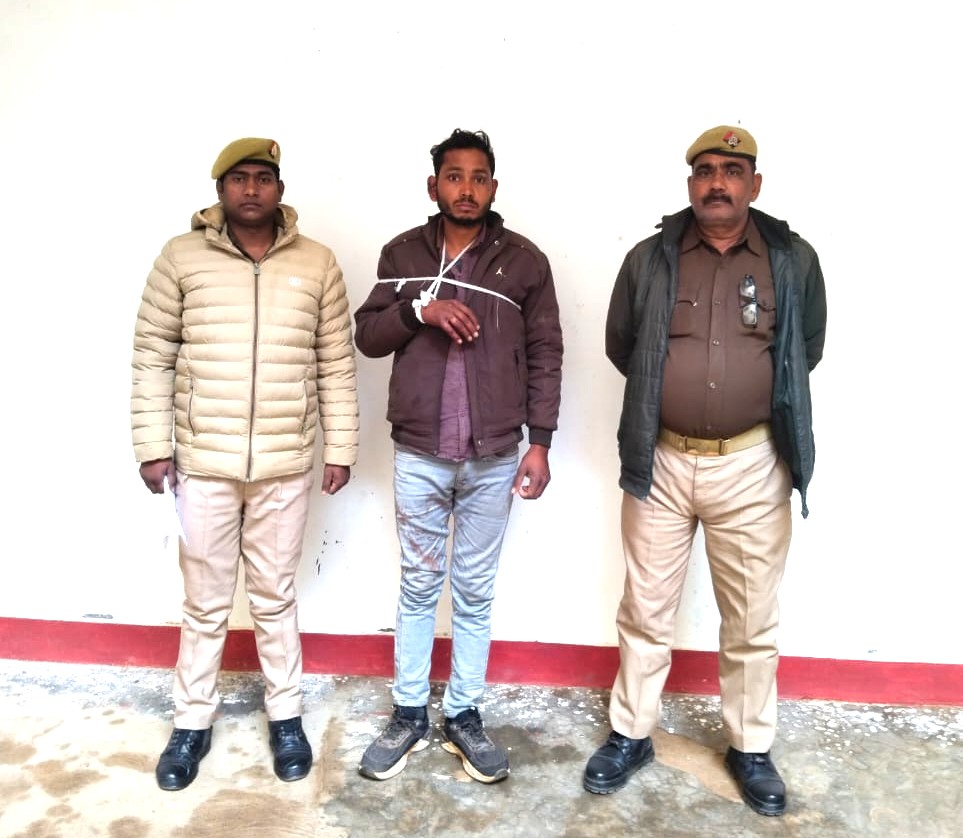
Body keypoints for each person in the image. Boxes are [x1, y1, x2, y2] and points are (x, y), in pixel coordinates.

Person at [584, 125, 826, 817]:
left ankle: (749, 745)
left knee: (751, 617)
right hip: (660, 460)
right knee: (644, 609)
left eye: (732, 170)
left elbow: (804, 348)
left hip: (752, 465)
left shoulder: (792, 260)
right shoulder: (649, 258)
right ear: (690, 182)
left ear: (755, 183)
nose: (717, 182)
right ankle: (631, 733)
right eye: (705, 170)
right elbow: (623, 345)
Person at [130, 137, 359, 791]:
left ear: (279, 189)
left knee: (275, 597)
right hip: (203, 462)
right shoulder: (180, 258)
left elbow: (335, 363)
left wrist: (340, 448)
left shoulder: (317, 262)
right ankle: (191, 723)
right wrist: (153, 445)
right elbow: (152, 355)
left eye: (263, 177)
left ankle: (285, 716)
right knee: (205, 602)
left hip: (285, 464)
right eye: (239, 179)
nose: (251, 189)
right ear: (220, 190)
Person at [353, 128, 563, 784]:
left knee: (473, 590)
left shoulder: (524, 262)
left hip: (493, 455)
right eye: (453, 176)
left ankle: (463, 713)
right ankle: (409, 712)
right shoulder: (402, 253)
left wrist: (540, 442)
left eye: (477, 177)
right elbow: (368, 336)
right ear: (433, 186)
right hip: (420, 451)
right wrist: (420, 309)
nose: (465, 189)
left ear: (493, 187)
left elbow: (546, 353)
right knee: (418, 585)